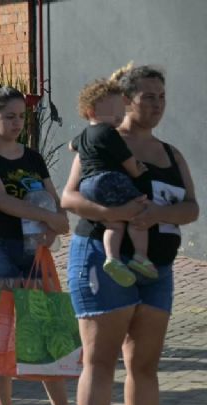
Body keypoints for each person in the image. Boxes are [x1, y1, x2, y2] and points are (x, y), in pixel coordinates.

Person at [61, 64, 200, 405]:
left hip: (155, 268)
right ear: (126, 98)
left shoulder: (171, 153)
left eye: (162, 97)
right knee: (101, 362)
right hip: (103, 262)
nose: (156, 105)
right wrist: (110, 215)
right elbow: (69, 197)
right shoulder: (102, 140)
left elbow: (191, 208)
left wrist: (159, 215)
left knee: (144, 365)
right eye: (148, 97)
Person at [0, 84, 79, 405]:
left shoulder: (32, 156)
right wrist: (51, 220)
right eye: (9, 117)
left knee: (43, 330)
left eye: (21, 117)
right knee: (4, 333)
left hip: (34, 251)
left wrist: (54, 226)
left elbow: (52, 198)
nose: (17, 123)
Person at [70, 79, 156, 287]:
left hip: (88, 185)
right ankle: (140, 256)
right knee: (139, 210)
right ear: (91, 111)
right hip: (107, 178)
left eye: (121, 110)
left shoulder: (83, 135)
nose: (120, 115)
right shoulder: (108, 132)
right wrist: (139, 169)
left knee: (114, 223)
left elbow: (71, 147)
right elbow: (129, 164)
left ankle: (112, 258)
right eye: (114, 110)